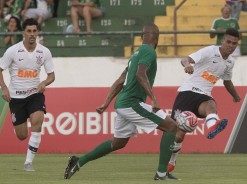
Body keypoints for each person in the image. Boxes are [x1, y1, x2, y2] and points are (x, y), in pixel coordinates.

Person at [63, 23, 179, 181]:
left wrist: (106, 103)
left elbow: (120, 80)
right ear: (157, 38)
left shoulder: (136, 54)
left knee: (118, 143)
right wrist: (154, 98)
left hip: (122, 103)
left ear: (141, 36)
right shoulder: (149, 51)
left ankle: (79, 161)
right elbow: (140, 74)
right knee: (171, 127)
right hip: (132, 103)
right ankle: (161, 173)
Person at [160, 28, 241, 177]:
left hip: (204, 95)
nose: (230, 45)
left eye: (234, 43)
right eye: (228, 42)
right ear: (222, 41)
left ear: (237, 45)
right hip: (188, 92)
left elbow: (227, 81)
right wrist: (187, 66)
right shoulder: (210, 51)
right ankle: (171, 162)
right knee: (179, 134)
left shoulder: (230, 62)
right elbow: (185, 59)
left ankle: (212, 127)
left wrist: (235, 96)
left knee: (212, 106)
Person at [0, 18, 55, 171]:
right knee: (21, 135)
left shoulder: (44, 52)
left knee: (38, 120)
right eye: (29, 31)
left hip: (35, 94)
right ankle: (21, 123)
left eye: (35, 31)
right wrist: (4, 88)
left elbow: (51, 76)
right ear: (23, 33)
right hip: (16, 97)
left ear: (38, 32)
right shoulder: (13, 51)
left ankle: (28, 163)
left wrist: (44, 83)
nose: (32, 34)